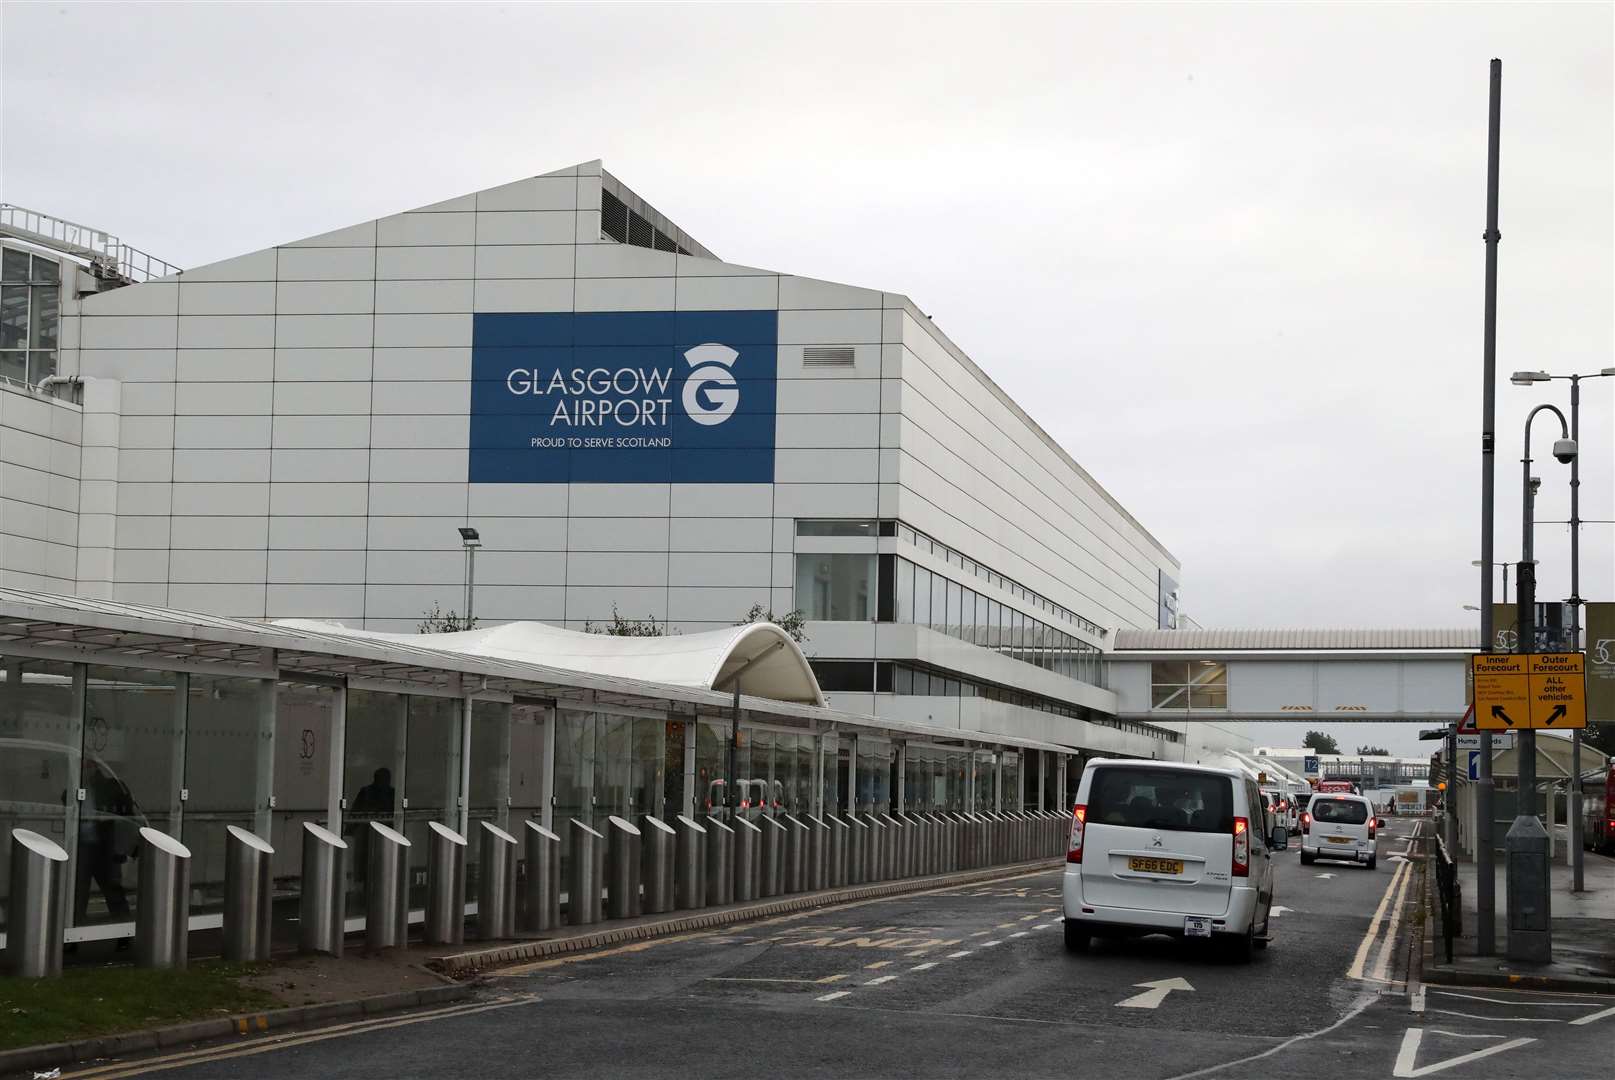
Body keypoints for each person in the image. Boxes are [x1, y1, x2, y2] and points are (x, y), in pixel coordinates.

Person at [74, 758, 134, 946]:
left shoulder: (109, 786)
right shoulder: (76, 787)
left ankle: (124, 934)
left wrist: (121, 847)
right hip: (83, 846)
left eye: (87, 766)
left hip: (105, 847)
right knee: (77, 894)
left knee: (113, 890)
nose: (84, 771)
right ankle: (72, 937)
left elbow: (125, 816)